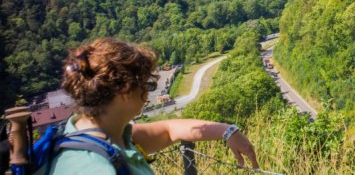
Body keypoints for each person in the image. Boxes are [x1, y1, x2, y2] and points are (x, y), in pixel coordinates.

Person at [48, 37, 259, 174]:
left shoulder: (104, 135)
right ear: (124, 90)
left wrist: (229, 131)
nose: (148, 91)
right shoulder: (94, 168)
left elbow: (169, 130)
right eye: (147, 83)